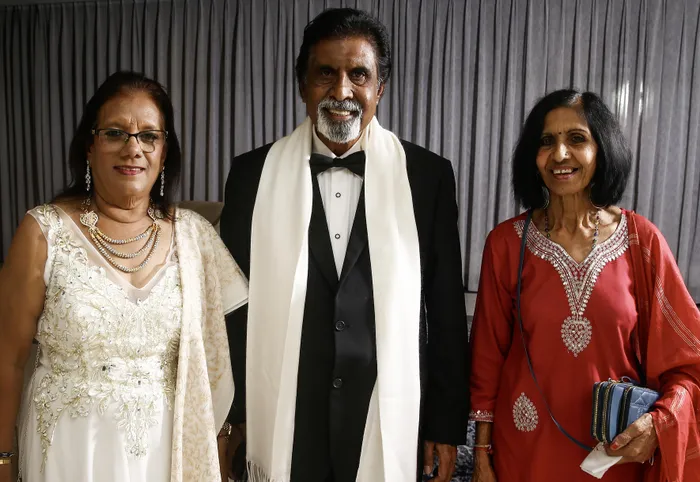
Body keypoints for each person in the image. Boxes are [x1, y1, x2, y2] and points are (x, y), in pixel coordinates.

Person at [220, 8, 469, 482]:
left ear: (380, 88)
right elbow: (233, 306)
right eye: (325, 74)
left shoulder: (427, 176)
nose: (341, 91)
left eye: (359, 74)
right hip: (284, 411)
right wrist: (236, 414)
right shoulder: (251, 175)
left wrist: (443, 422)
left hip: (384, 410)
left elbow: (445, 310)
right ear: (302, 85)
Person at [0, 71, 248, 482]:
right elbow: (7, 359)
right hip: (69, 451)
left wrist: (221, 444)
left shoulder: (195, 237)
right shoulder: (44, 232)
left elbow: (221, 358)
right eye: (115, 133)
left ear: (164, 153)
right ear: (89, 146)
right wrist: (3, 460)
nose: (133, 148)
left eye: (149, 136)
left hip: (166, 454)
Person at [469, 89, 700, 481]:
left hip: (613, 453)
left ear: (602, 150)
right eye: (546, 142)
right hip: (525, 447)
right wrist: (480, 453)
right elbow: (487, 356)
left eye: (576, 139)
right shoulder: (507, 243)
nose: (560, 154)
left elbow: (687, 362)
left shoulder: (641, 242)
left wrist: (658, 424)